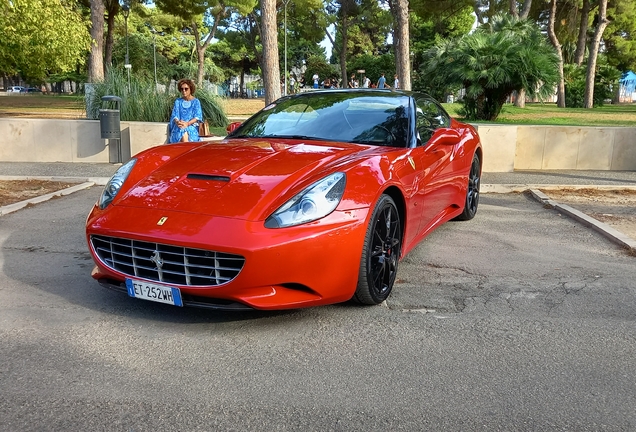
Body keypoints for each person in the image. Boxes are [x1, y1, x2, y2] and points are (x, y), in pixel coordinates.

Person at [169, 79, 203, 143]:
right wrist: (178, 122)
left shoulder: (196, 102)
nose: (184, 91)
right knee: (181, 130)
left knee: (184, 131)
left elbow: (197, 117)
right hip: (179, 126)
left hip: (191, 126)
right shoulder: (178, 101)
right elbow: (175, 115)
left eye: (186, 89)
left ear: (191, 89)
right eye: (182, 89)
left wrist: (187, 123)